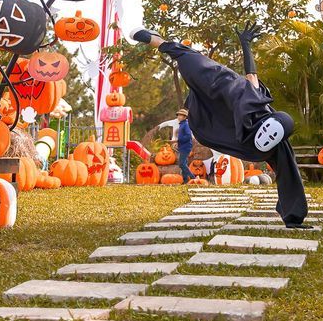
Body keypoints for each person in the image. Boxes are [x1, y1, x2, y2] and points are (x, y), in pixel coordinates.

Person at [131, 22, 309, 227]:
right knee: (224, 76)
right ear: (268, 120)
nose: (267, 138)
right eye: (269, 133)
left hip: (216, 128)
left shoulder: (278, 146)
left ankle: (291, 213)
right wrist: (246, 45)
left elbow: (289, 175)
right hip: (220, 106)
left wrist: (294, 218)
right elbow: (251, 74)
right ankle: (160, 42)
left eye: (269, 139)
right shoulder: (256, 105)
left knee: (287, 161)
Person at [175, 108, 193, 182]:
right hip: (182, 146)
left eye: (180, 115)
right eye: (178, 115)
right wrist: (177, 143)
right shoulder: (181, 125)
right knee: (184, 163)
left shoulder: (186, 125)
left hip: (186, 147)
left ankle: (193, 178)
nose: (178, 117)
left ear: (185, 117)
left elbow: (189, 136)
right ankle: (185, 180)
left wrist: (179, 140)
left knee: (181, 164)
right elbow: (181, 137)